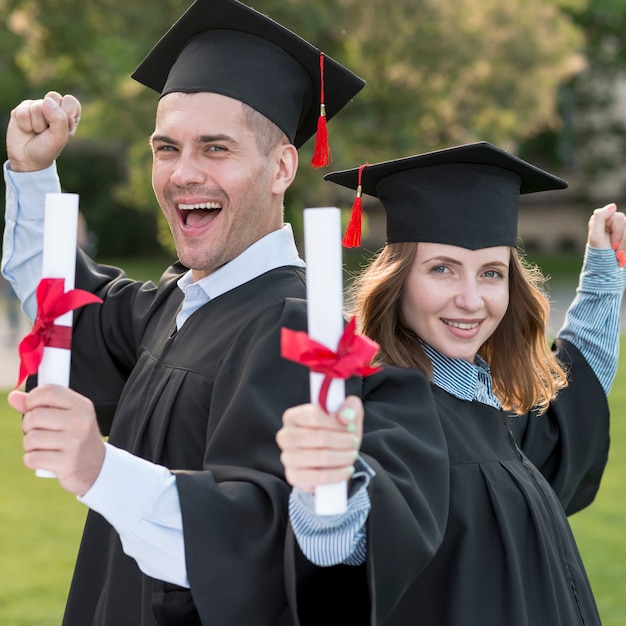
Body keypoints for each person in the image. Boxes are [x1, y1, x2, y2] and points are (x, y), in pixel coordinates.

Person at [1, 0, 375, 623]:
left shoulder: (300, 332)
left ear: (282, 167)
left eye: (216, 148)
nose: (183, 173)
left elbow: (261, 542)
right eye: (166, 148)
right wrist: (32, 174)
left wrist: (97, 466)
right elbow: (64, 313)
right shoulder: (178, 302)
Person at [277, 141, 626, 624]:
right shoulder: (383, 414)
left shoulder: (485, 405)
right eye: (442, 269)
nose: (471, 299)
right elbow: (348, 554)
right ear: (397, 280)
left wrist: (603, 272)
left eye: (491, 273)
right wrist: (326, 494)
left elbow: (569, 408)